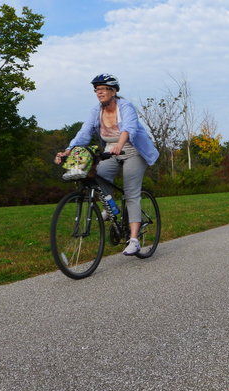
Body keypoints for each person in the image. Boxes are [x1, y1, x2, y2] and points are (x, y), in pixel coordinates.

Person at [54, 74, 159, 255]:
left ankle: (134, 240)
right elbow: (84, 133)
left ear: (113, 91)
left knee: (130, 191)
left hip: (133, 151)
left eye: (102, 89)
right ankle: (111, 208)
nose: (99, 93)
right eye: (97, 90)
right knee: (98, 174)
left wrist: (120, 144)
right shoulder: (97, 111)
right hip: (110, 151)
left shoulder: (125, 107)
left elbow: (129, 128)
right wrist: (68, 150)